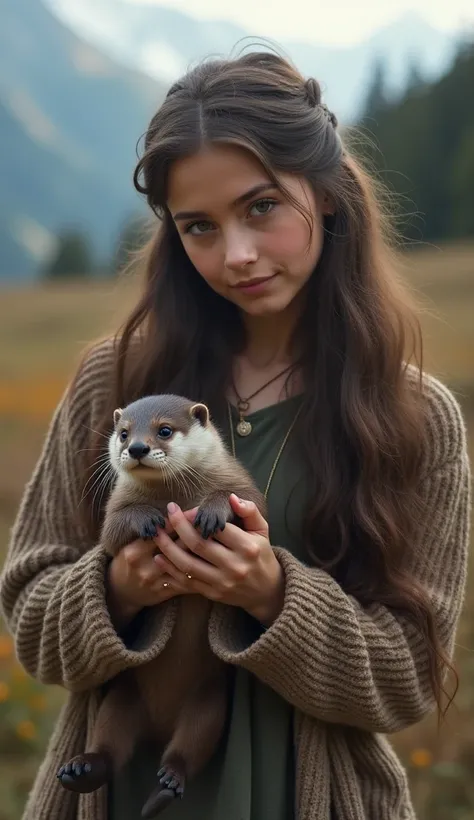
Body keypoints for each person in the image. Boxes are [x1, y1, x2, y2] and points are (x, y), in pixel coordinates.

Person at [0, 50, 471, 820]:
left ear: (324, 195)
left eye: (261, 208)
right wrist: (120, 586)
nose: (236, 255)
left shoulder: (415, 418)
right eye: (199, 227)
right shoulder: (112, 386)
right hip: (114, 795)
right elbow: (30, 617)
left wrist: (271, 592)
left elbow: (409, 682)